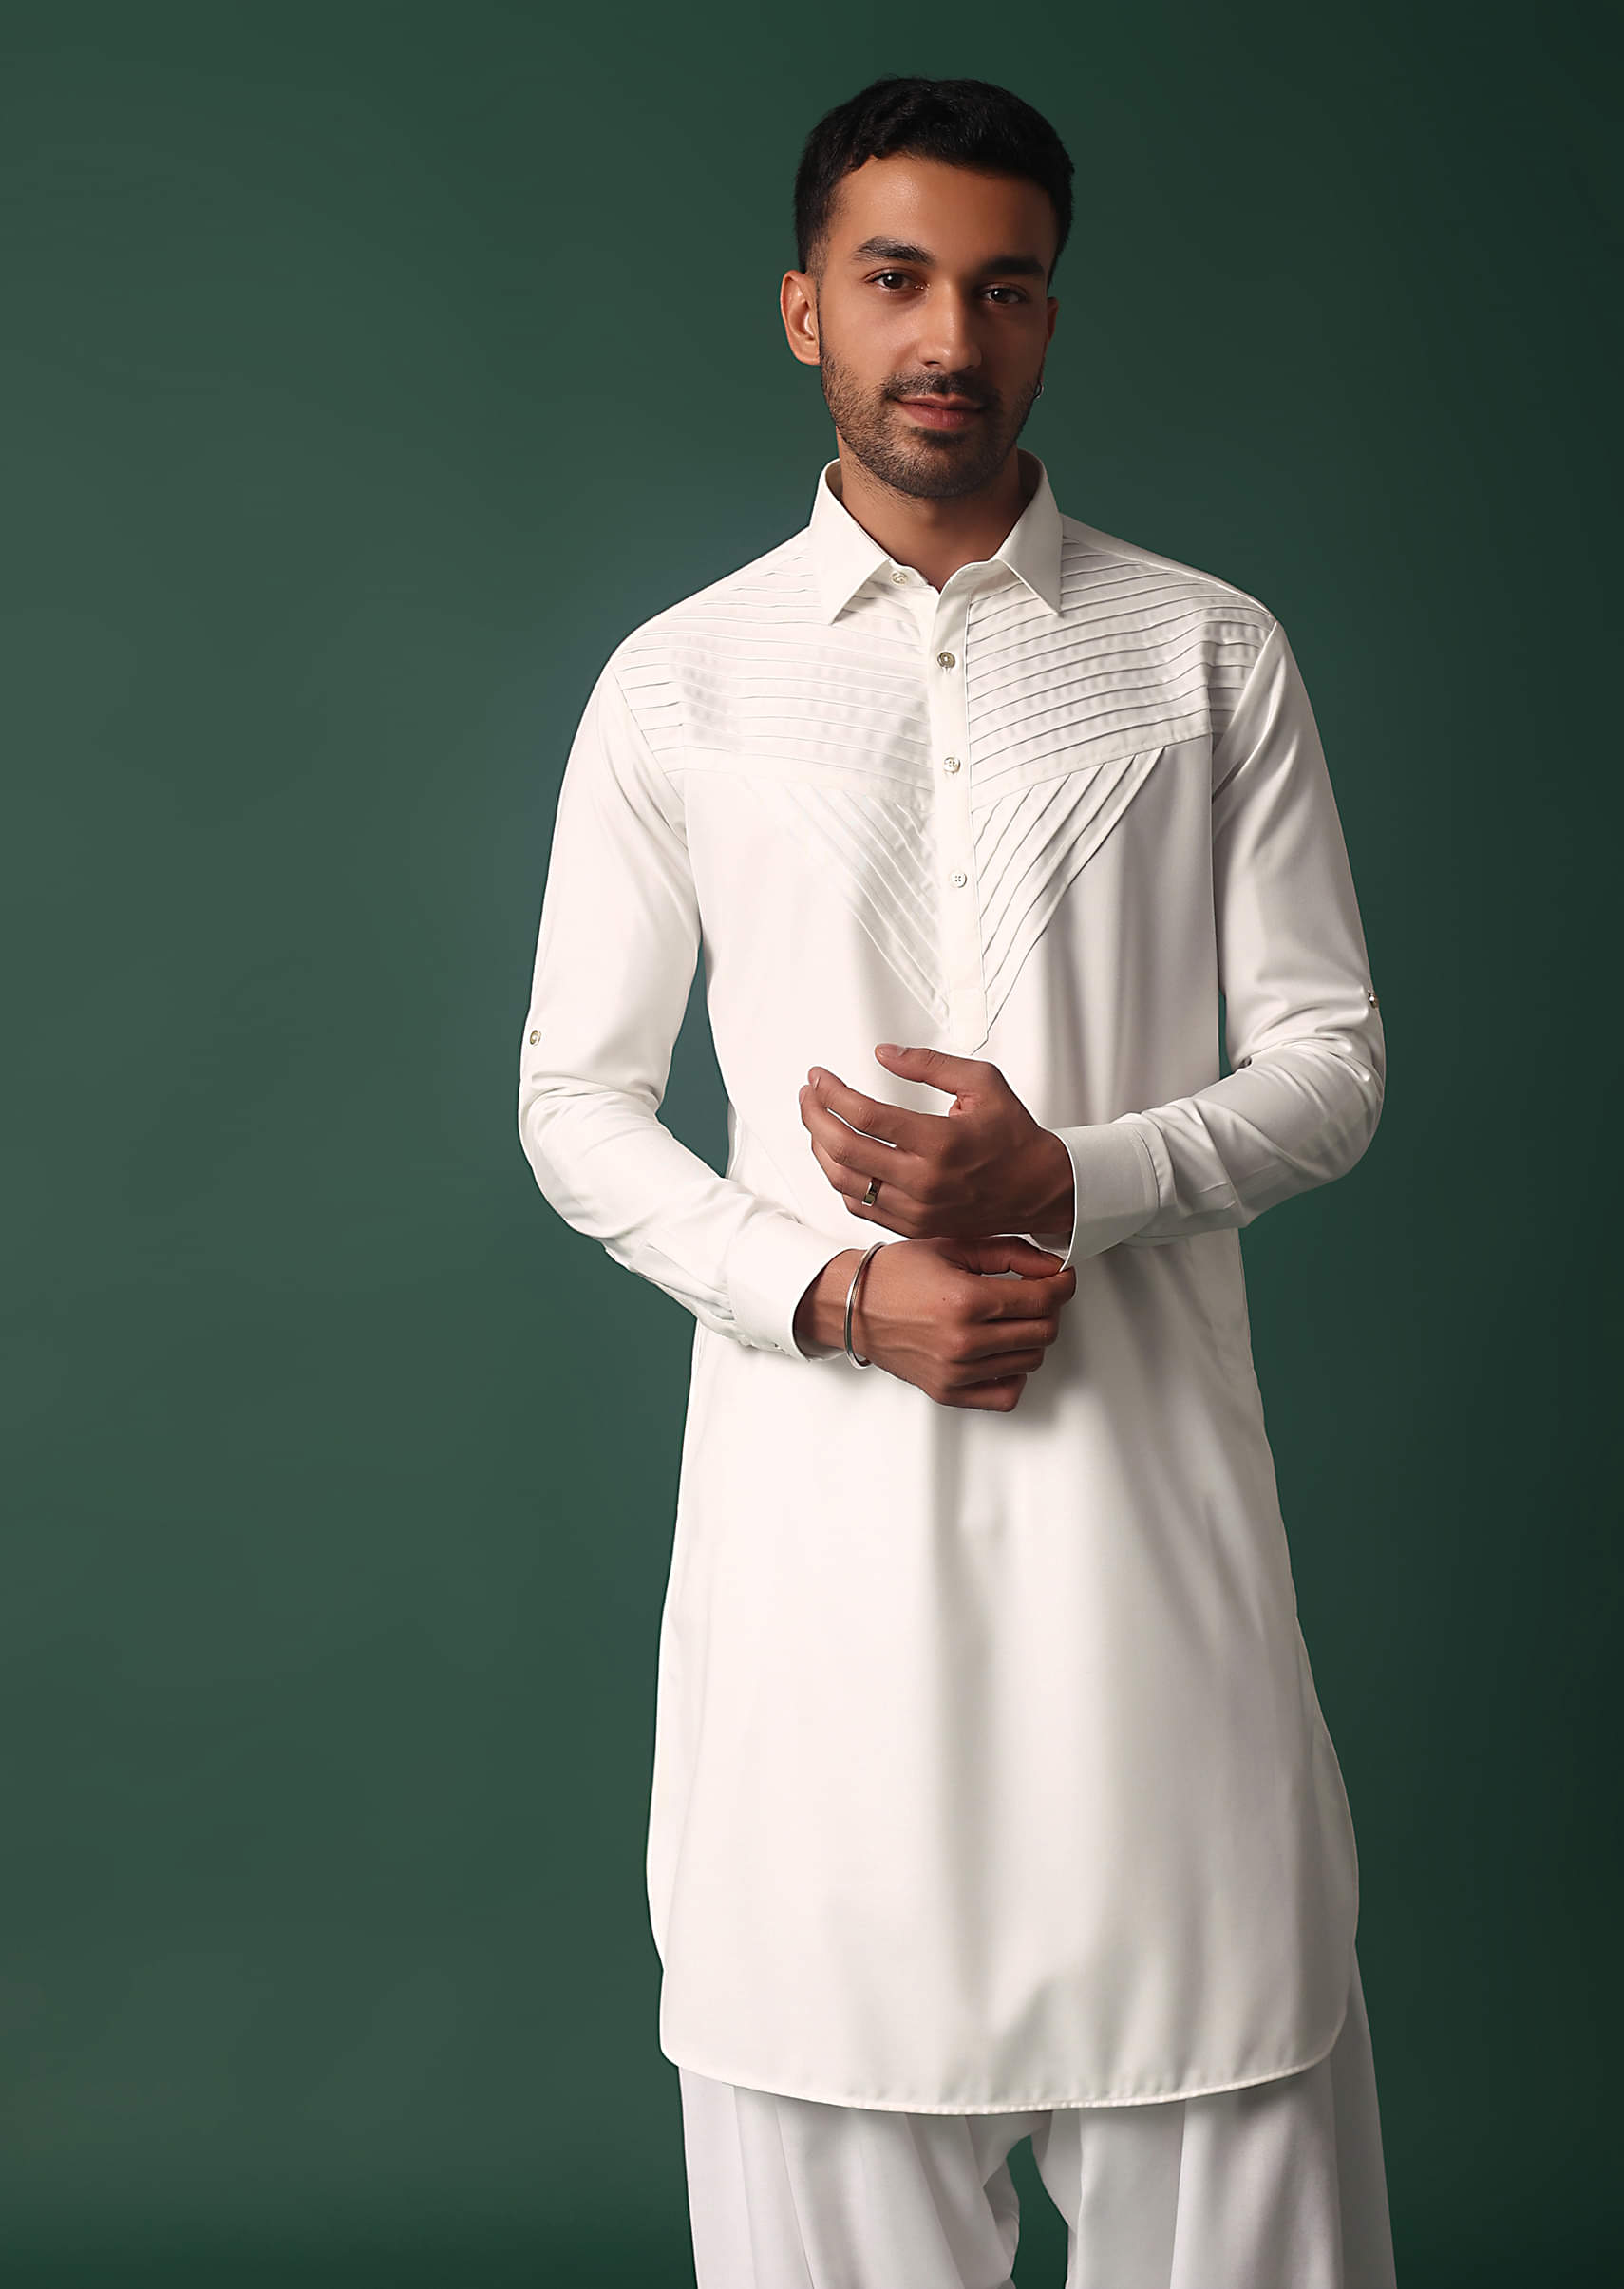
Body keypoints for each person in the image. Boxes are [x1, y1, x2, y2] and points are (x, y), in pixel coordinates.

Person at [517, 71, 1398, 2289]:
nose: (950, 337)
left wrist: (1070, 1171)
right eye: (897, 278)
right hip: (816, 1600)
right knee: (814, 2106)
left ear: (1049, 322)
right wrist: (833, 1290)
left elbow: (1333, 1068)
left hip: (1152, 1582)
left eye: (1005, 290)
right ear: (802, 306)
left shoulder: (1206, 650)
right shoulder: (682, 683)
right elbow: (573, 1101)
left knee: (1237, 2074)